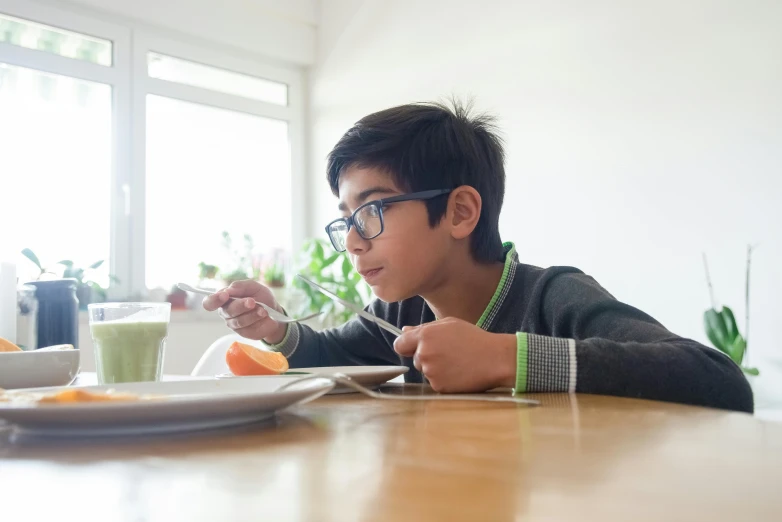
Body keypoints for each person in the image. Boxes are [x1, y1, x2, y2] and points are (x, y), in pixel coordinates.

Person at [203, 100, 752, 413]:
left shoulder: (553, 296)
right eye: (345, 220)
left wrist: (504, 357)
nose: (352, 239)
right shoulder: (402, 311)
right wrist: (274, 329)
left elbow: (720, 381)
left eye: (371, 211)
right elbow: (328, 360)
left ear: (461, 212)